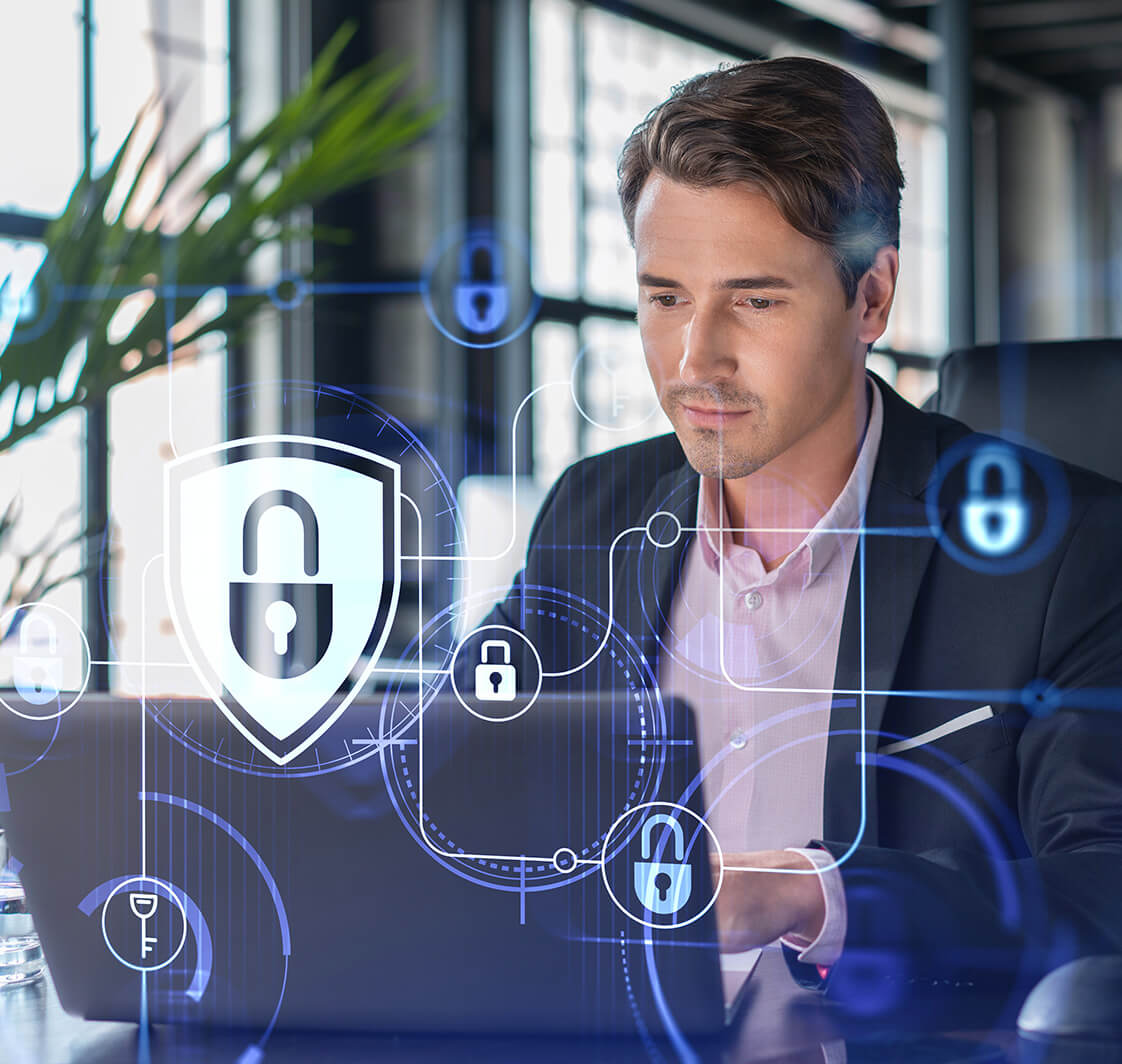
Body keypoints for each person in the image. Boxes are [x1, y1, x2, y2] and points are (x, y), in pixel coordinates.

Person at [481, 56, 1122, 1000]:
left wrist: (815, 897)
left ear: (870, 298)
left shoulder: (1067, 550)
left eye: (756, 299)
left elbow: (1102, 882)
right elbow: (467, 776)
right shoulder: (593, 510)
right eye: (665, 298)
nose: (697, 358)